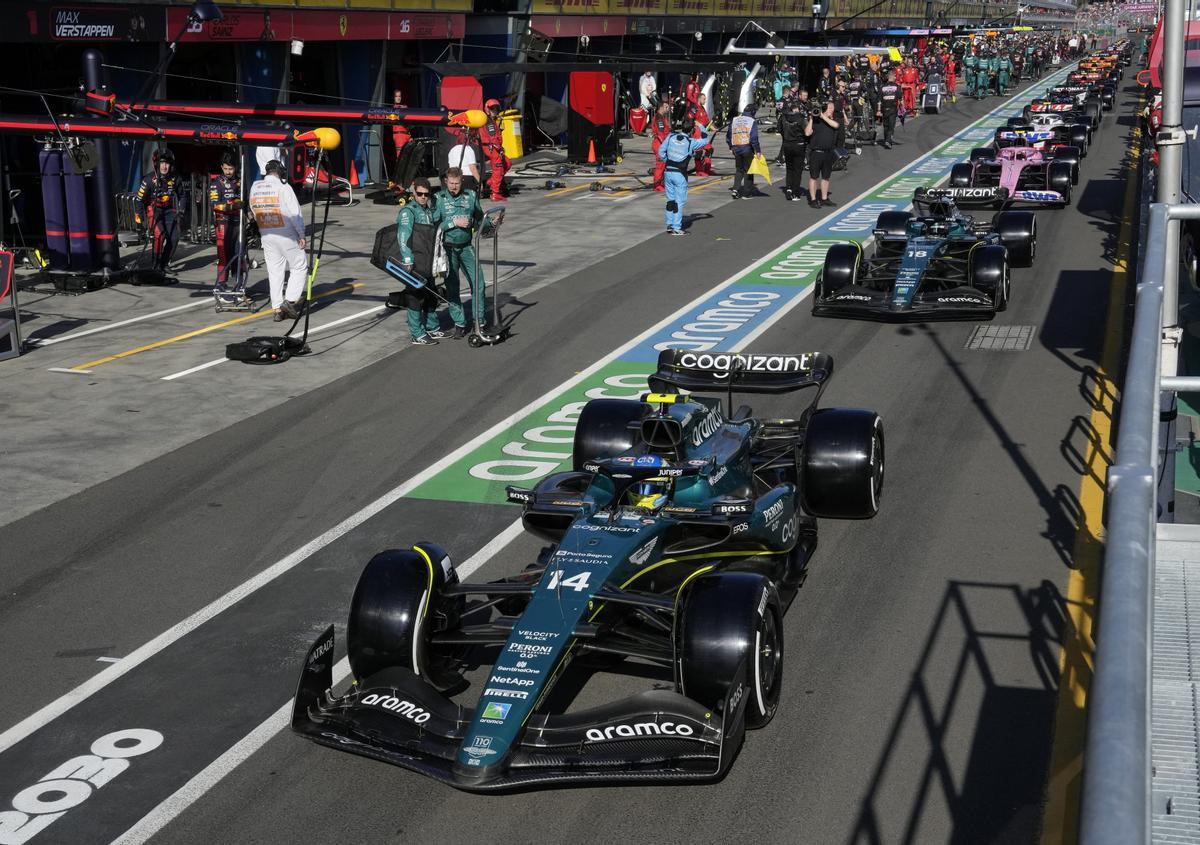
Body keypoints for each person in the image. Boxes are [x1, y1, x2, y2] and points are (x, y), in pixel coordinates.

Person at [249, 160, 307, 321]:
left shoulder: (255, 187)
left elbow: (253, 210)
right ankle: (290, 301)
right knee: (299, 265)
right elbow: (295, 213)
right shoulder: (284, 187)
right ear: (280, 171)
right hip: (285, 232)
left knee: (275, 271)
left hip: (266, 233)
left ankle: (277, 309)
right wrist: (301, 234)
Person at [394, 177, 447, 346]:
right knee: (415, 295)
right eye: (420, 194)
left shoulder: (428, 210)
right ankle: (417, 333)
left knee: (430, 292)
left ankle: (432, 326)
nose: (423, 197)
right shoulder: (408, 212)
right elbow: (403, 236)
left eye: (426, 194)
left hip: (427, 260)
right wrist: (408, 260)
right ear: (414, 192)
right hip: (414, 261)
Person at [432, 167, 484, 336]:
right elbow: (433, 226)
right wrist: (453, 223)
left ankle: (479, 321)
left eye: (457, 183)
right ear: (446, 181)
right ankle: (460, 323)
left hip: (467, 246)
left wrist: (493, 222)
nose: (454, 187)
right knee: (453, 288)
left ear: (462, 181)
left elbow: (480, 217)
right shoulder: (438, 199)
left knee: (479, 284)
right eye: (451, 183)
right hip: (447, 249)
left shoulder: (471, 196)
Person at [658, 116, 709, 236]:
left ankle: (670, 224)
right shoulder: (691, 142)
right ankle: (676, 227)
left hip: (668, 172)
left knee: (670, 199)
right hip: (680, 174)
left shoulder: (670, 137)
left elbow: (661, 152)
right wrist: (700, 125)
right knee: (679, 201)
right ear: (692, 130)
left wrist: (668, 160)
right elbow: (705, 139)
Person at [135, 147, 183, 274]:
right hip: (153, 210)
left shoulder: (176, 178)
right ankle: (155, 265)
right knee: (160, 235)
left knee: (175, 237)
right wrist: (142, 222)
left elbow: (183, 195)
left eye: (167, 163)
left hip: (168, 210)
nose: (164, 167)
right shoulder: (148, 180)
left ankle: (164, 263)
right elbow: (139, 201)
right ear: (156, 164)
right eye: (161, 163)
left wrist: (181, 210)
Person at [209, 150, 242, 288]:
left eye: (231, 168)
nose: (228, 172)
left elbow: (245, 201)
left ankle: (238, 282)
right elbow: (215, 205)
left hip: (237, 222)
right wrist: (233, 205)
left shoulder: (240, 181)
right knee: (223, 254)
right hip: (223, 222)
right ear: (222, 167)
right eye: (226, 168)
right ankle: (221, 283)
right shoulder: (216, 183)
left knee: (238, 253)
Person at [805, 101, 839, 209]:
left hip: (828, 153)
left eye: (832, 108)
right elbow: (807, 133)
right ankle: (813, 199)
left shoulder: (831, 120)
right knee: (814, 177)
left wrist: (823, 117)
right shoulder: (815, 120)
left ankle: (824, 199)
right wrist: (811, 118)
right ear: (825, 109)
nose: (832, 110)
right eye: (830, 108)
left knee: (826, 177)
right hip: (816, 153)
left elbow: (836, 125)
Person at [726, 104, 761, 200]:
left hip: (736, 148)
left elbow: (729, 134)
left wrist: (730, 146)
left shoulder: (735, 120)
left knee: (739, 170)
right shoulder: (751, 121)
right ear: (753, 112)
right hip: (747, 148)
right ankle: (747, 192)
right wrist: (757, 150)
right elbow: (754, 138)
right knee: (749, 170)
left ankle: (735, 189)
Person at [478, 98, 509, 202]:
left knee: (507, 163)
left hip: (495, 148)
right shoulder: (488, 121)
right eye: (492, 108)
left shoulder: (492, 120)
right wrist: (498, 148)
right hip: (491, 148)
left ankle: (490, 182)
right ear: (487, 109)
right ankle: (495, 193)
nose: (495, 110)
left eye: (496, 108)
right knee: (498, 168)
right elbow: (492, 138)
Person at [779, 99, 808, 203]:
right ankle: (795, 191)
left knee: (789, 169)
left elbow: (780, 129)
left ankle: (789, 188)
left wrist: (785, 138)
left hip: (787, 144)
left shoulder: (784, 117)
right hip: (798, 144)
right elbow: (807, 131)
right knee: (797, 170)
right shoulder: (800, 118)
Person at [650, 101, 672, 192]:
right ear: (661, 107)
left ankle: (661, 182)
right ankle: (657, 185)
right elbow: (660, 134)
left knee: (664, 165)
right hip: (659, 144)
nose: (668, 109)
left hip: (662, 143)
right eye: (666, 107)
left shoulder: (662, 118)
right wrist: (665, 146)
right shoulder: (659, 118)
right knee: (660, 165)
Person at [876, 69, 900, 149]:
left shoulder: (882, 87)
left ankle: (887, 140)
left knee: (885, 126)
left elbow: (879, 100)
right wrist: (902, 109)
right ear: (892, 76)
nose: (896, 77)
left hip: (884, 109)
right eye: (895, 76)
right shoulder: (897, 86)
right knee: (891, 126)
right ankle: (888, 141)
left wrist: (879, 110)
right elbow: (900, 99)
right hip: (892, 108)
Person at [692, 93, 713, 176]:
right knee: (699, 152)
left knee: (709, 149)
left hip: (704, 132)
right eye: (704, 99)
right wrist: (695, 124)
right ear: (699, 99)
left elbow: (707, 121)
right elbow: (690, 118)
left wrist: (715, 129)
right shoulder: (695, 108)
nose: (705, 100)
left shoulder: (703, 108)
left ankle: (707, 169)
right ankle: (699, 170)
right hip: (697, 132)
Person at [391, 89, 412, 170]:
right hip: (399, 135)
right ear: (393, 98)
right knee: (401, 158)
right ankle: (399, 179)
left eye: (399, 96)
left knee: (409, 157)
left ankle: (408, 178)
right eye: (396, 96)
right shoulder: (393, 108)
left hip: (407, 134)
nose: (398, 98)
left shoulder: (405, 107)